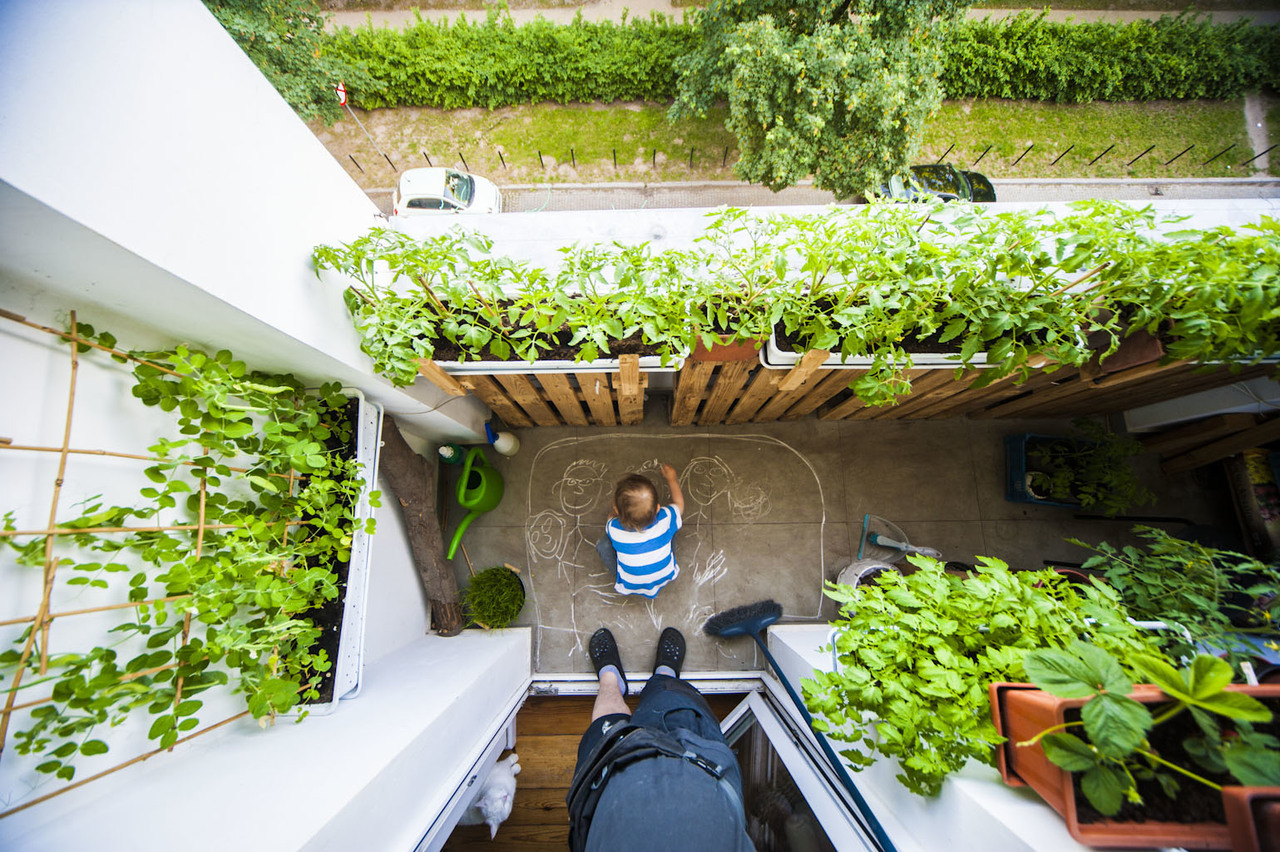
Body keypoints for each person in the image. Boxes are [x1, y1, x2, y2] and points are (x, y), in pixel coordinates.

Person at [567, 627, 755, 852]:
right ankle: (664, 675)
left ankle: (610, 679)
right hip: (697, 765)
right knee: (670, 699)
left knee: (607, 728)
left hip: (609, 794)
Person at [596, 463, 685, 598]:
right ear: (657, 509)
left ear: (616, 509)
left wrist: (616, 514)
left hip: (631, 582)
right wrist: (672, 479)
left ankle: (622, 575)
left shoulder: (613, 527)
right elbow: (679, 504)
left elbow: (610, 518)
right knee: (670, 527)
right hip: (665, 574)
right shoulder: (666, 517)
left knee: (603, 544)